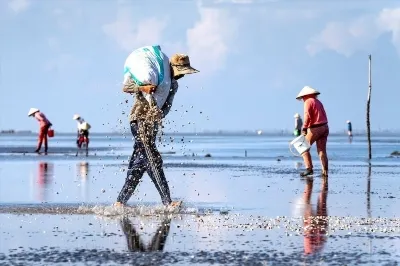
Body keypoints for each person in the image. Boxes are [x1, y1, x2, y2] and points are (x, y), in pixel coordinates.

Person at [114, 53, 199, 208]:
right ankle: (167, 202)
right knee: (154, 160)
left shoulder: (173, 85)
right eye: (181, 72)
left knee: (139, 164)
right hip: (139, 120)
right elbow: (126, 87)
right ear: (172, 68)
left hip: (152, 125)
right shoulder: (154, 75)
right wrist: (143, 88)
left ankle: (120, 202)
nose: (181, 76)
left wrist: (159, 114)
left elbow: (166, 106)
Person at [296, 86, 329, 177]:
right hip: (325, 127)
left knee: (302, 147)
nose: (302, 99)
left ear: (305, 95)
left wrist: (304, 128)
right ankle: (325, 171)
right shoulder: (318, 102)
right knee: (322, 150)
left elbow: (307, 116)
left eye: (302, 97)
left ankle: (309, 168)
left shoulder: (308, 102)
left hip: (316, 128)